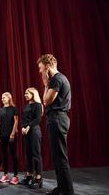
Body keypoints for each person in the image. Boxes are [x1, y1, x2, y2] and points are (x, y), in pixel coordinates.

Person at [37, 54, 74, 195]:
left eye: (40, 68)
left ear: (46, 66)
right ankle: (61, 189)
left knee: (61, 158)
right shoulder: (59, 78)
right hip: (57, 119)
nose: (40, 72)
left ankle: (68, 192)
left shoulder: (56, 79)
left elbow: (46, 102)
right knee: (57, 158)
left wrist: (45, 84)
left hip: (58, 119)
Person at [20, 87, 43, 189]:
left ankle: (38, 177)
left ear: (33, 94)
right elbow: (23, 119)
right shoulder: (27, 106)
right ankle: (29, 175)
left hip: (34, 131)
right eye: (25, 93)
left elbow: (37, 119)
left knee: (35, 154)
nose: (25, 95)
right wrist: (22, 128)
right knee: (28, 154)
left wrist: (28, 126)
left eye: (27, 93)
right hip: (26, 132)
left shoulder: (38, 105)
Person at [0, 92, 19, 185]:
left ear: (9, 98)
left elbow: (16, 121)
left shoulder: (14, 109)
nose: (2, 99)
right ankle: (5, 175)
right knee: (4, 155)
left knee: (13, 155)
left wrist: (13, 133)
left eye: (4, 97)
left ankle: (15, 176)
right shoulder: (1, 110)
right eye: (2, 97)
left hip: (11, 134)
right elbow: (0, 122)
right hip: (2, 134)